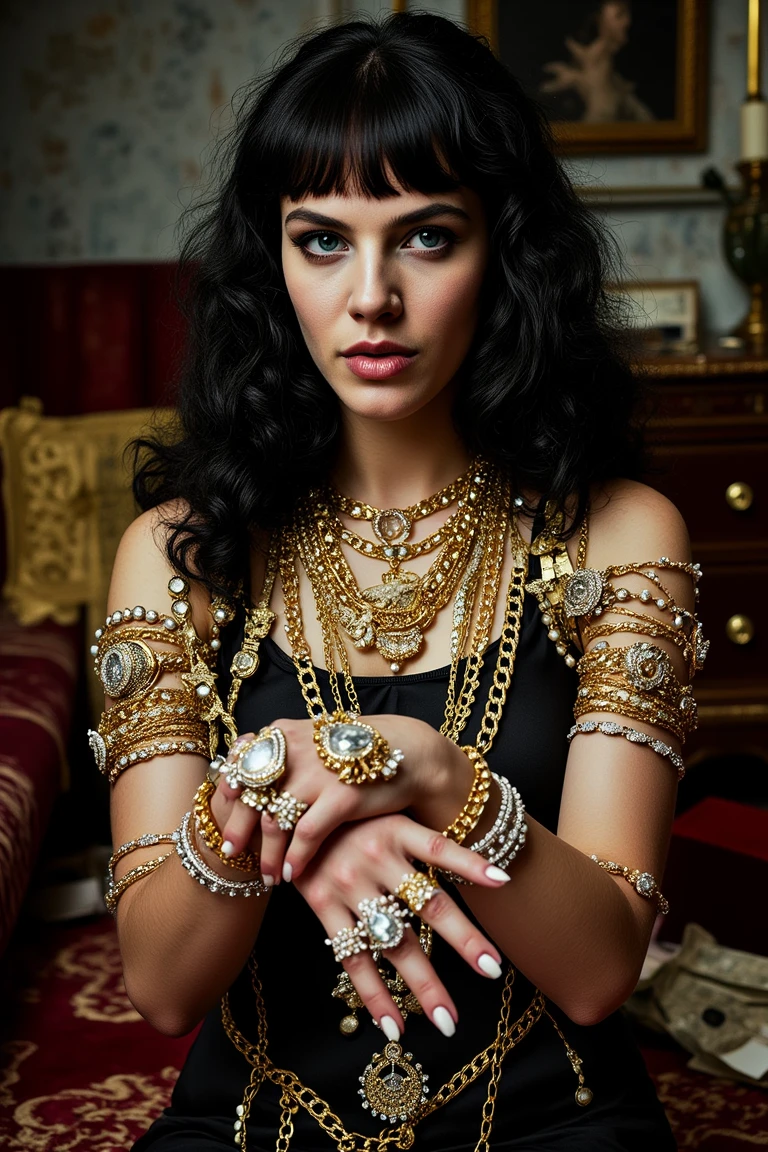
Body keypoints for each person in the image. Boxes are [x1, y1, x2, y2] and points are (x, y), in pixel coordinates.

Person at [91, 12, 705, 1151]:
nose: (369, 295)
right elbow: (164, 984)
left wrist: (430, 776)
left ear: (503, 252)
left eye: (426, 237)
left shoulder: (621, 536)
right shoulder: (178, 554)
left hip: (549, 1122)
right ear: (273, 264)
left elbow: (601, 970)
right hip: (254, 1122)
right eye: (322, 239)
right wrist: (293, 807)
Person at [540, 2, 655, 123]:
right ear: (596, 18)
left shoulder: (616, 79)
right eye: (620, 14)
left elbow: (649, 123)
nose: (628, 21)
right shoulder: (559, 77)